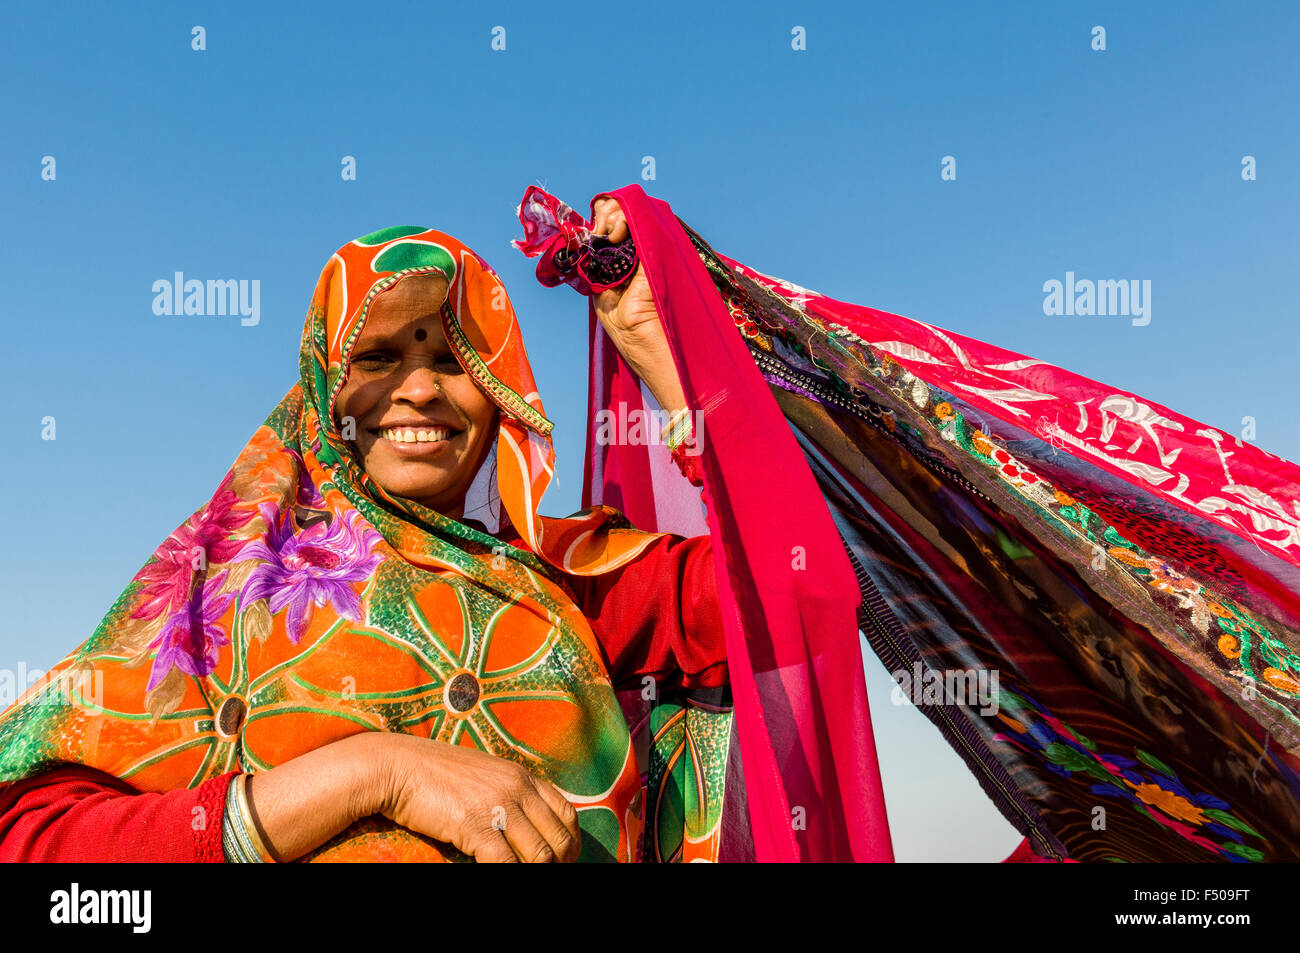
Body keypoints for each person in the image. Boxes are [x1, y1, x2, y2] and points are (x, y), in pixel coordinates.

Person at [0, 197, 739, 863]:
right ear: (323, 390)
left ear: (502, 392)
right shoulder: (217, 595)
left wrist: (666, 362)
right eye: (379, 357)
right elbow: (34, 843)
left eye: (456, 360)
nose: (418, 388)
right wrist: (374, 772)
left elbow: (805, 591)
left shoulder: (569, 578)